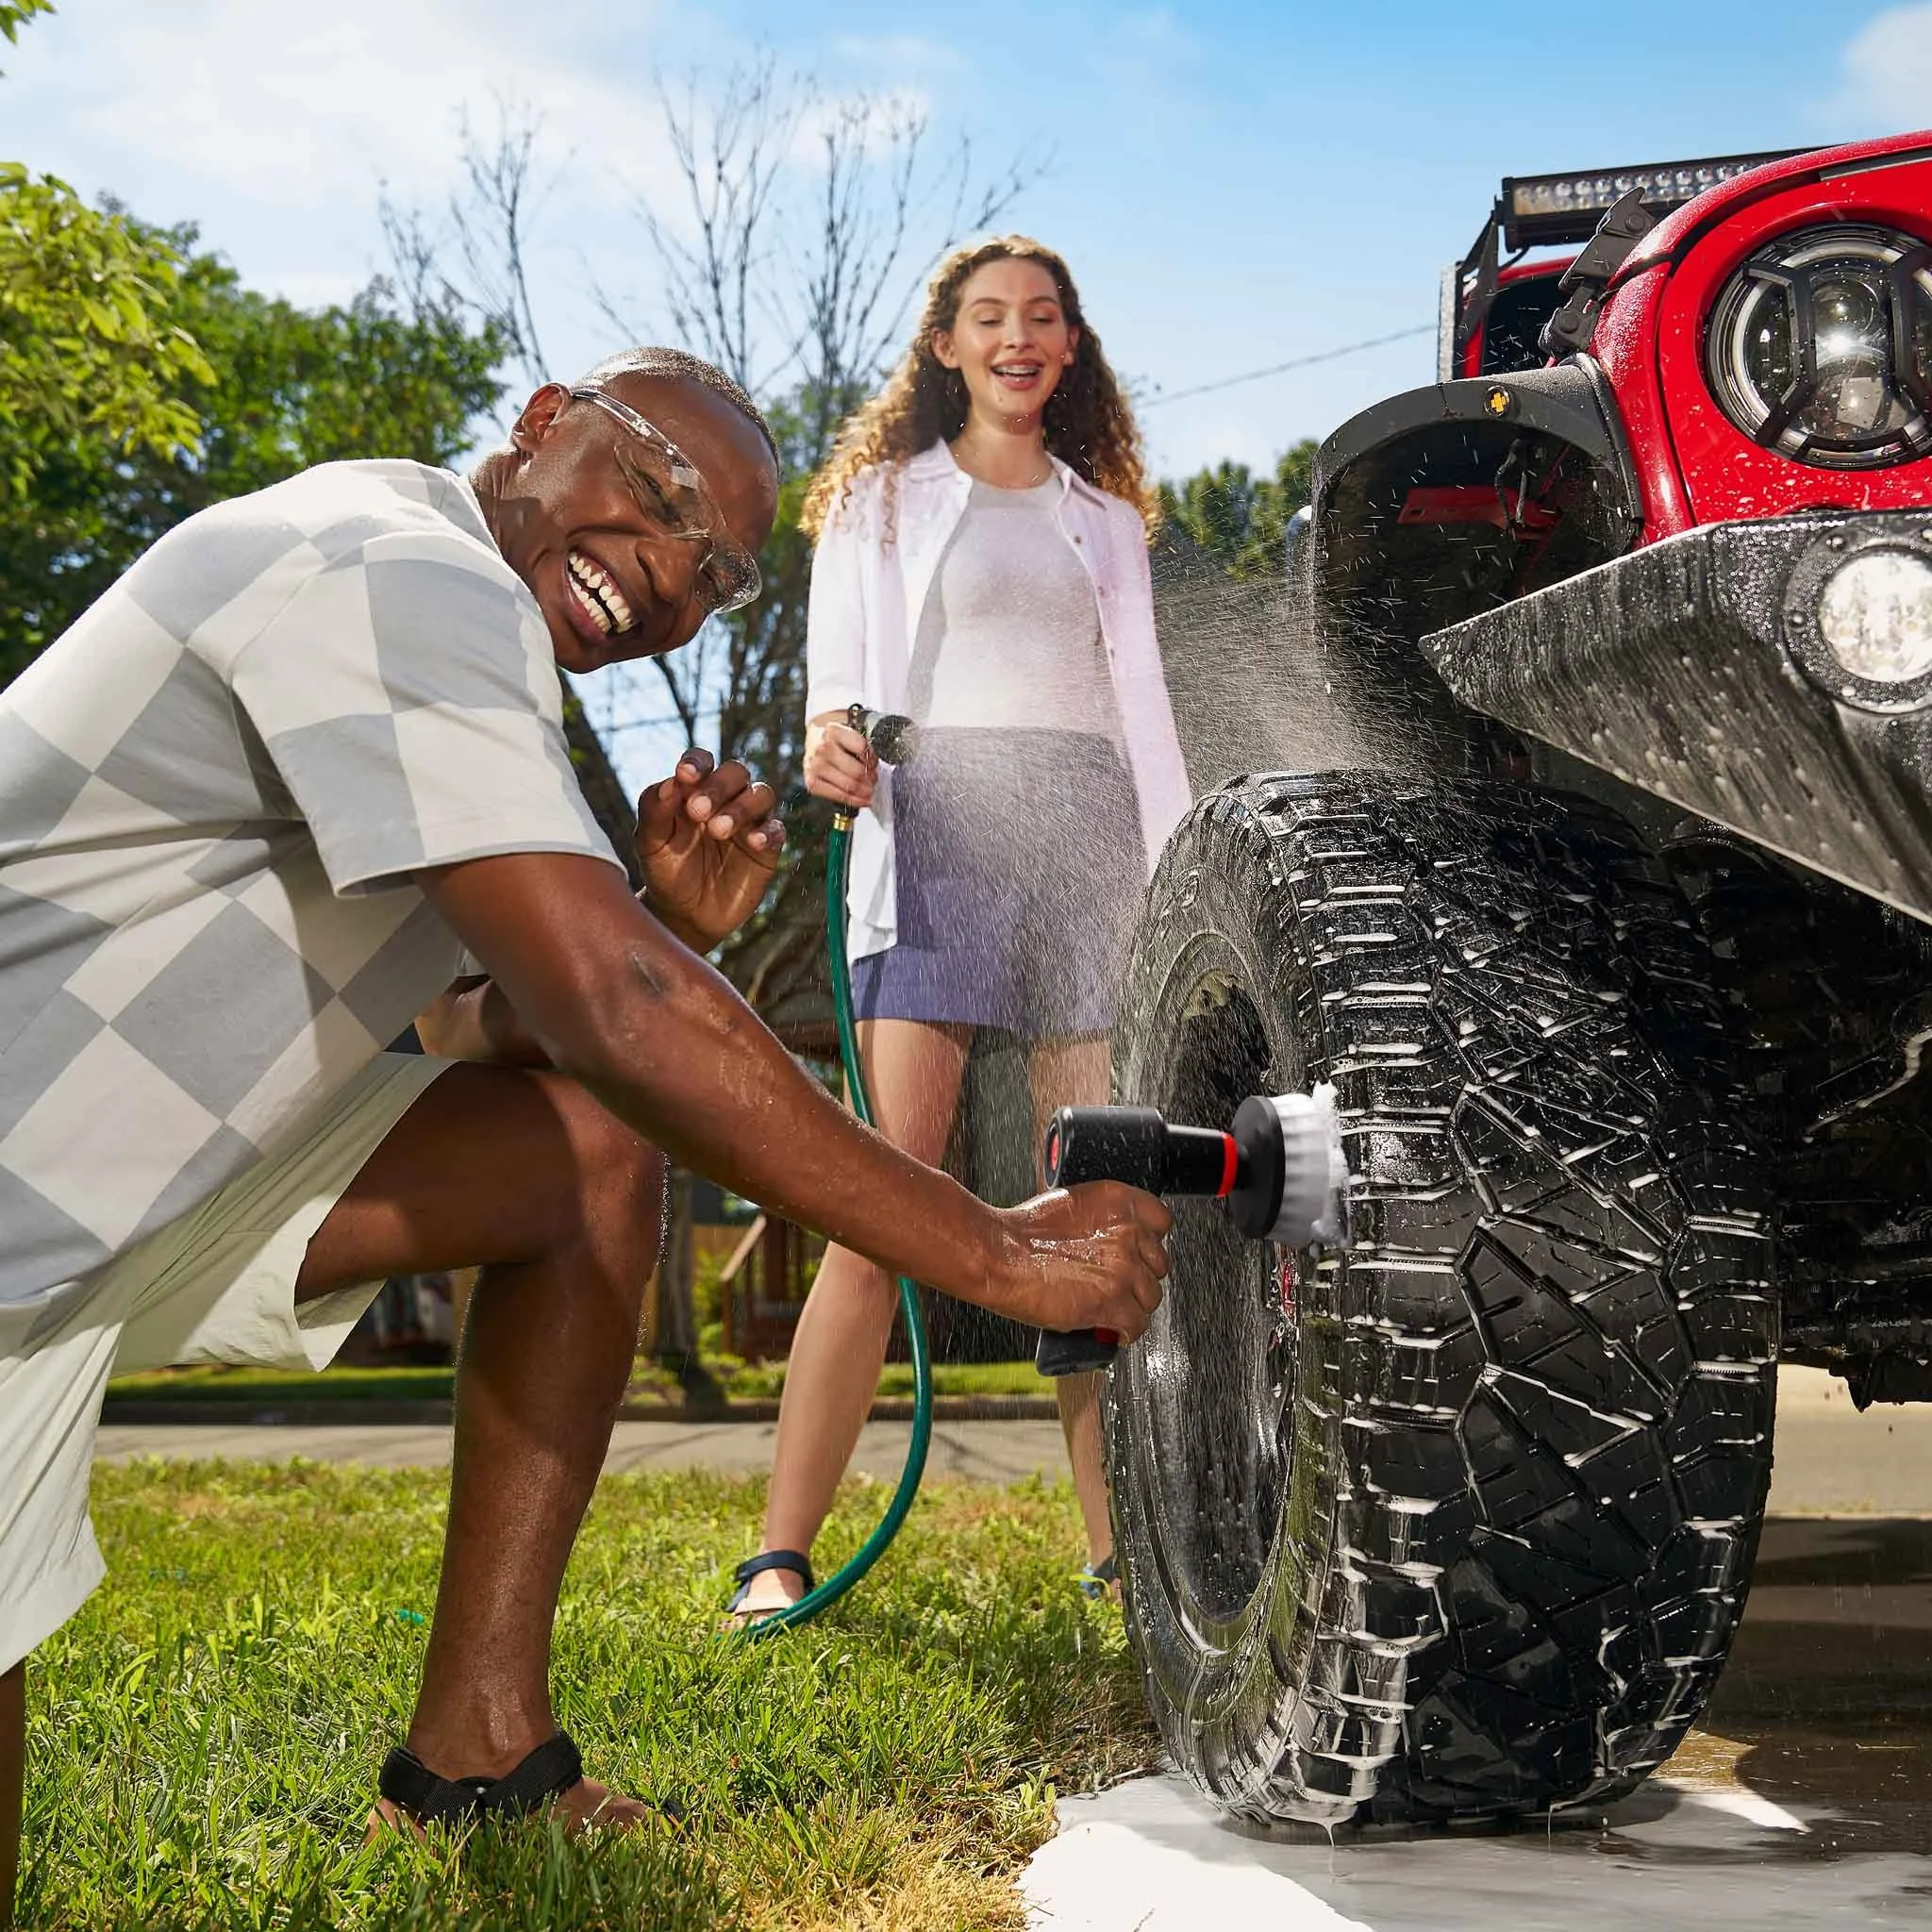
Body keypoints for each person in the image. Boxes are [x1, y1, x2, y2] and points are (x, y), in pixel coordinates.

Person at [0, 343, 1173, 1903]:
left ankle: (478, 1757)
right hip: (40, 1185)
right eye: (661, 491)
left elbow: (472, 1033)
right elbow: (614, 1014)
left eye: (717, 572)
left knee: (577, 1157)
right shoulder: (393, 568)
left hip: (95, 1208)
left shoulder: (469, 681)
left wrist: (655, 942)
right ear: (543, 426)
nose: (671, 578)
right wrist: (996, 1253)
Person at [726, 238, 1191, 1624]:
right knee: (878, 1195)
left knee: (1104, 1204)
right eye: (989, 317)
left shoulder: (1102, 518)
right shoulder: (876, 501)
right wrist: (826, 742)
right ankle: (779, 1552)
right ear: (946, 344)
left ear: (1069, 344)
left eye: (1043, 316)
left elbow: (1145, 710)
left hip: (1087, 834)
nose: (1018, 336)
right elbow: (837, 685)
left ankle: (1118, 1553)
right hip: (935, 830)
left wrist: (1174, 873)